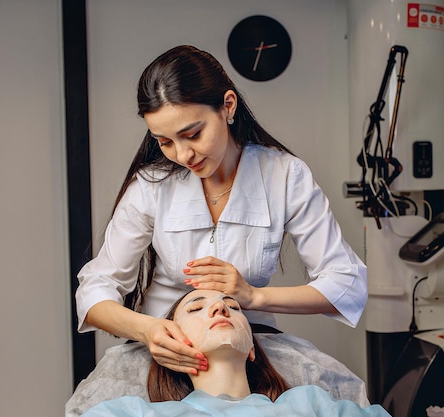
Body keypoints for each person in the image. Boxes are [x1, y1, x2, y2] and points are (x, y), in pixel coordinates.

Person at [76, 45, 367, 378]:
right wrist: (148, 330)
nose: (183, 154)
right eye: (165, 142)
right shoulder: (151, 185)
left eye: (193, 134)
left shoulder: (285, 175)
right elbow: (94, 289)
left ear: (228, 106)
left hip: (248, 348)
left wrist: (253, 296)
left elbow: (347, 284)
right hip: (166, 349)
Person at [81, 289, 390, 417]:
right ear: (170, 344)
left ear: (252, 348)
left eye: (233, 306)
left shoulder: (310, 404)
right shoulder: (137, 413)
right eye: (196, 307)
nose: (219, 307)